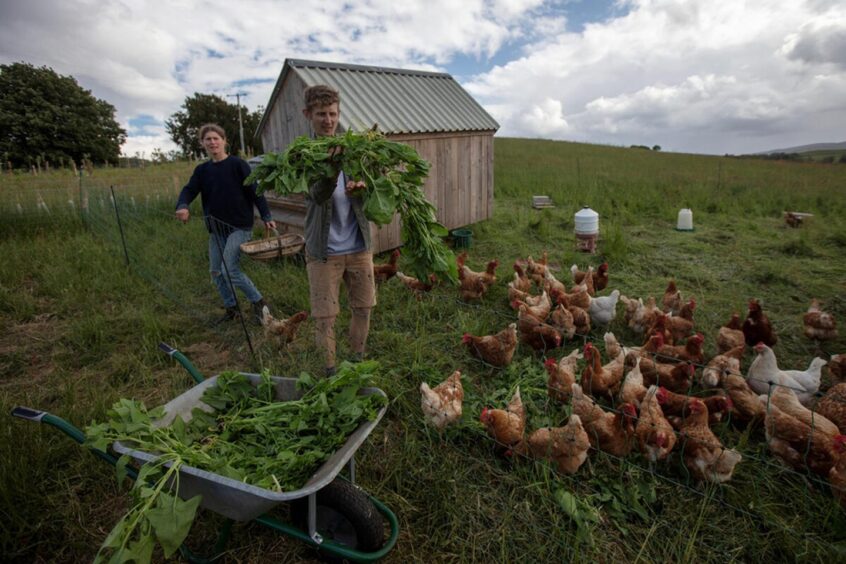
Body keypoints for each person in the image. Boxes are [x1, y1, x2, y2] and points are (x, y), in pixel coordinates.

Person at [302, 85, 376, 376]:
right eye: (321, 114)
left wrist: (363, 187)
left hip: (358, 246)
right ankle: (330, 372)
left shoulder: (354, 149)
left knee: (363, 307)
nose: (328, 120)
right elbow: (316, 195)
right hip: (324, 251)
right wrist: (332, 168)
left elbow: (370, 189)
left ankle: (356, 362)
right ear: (308, 114)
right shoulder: (303, 154)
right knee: (325, 317)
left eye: (332, 113)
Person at [175, 123, 277, 324]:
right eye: (208, 139)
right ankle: (232, 309)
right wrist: (183, 205)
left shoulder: (238, 165)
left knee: (229, 269)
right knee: (216, 271)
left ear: (224, 141)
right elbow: (189, 190)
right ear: (202, 143)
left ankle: (260, 303)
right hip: (216, 229)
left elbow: (255, 192)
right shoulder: (202, 170)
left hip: (239, 226)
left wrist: (266, 216)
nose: (212, 142)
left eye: (216, 138)